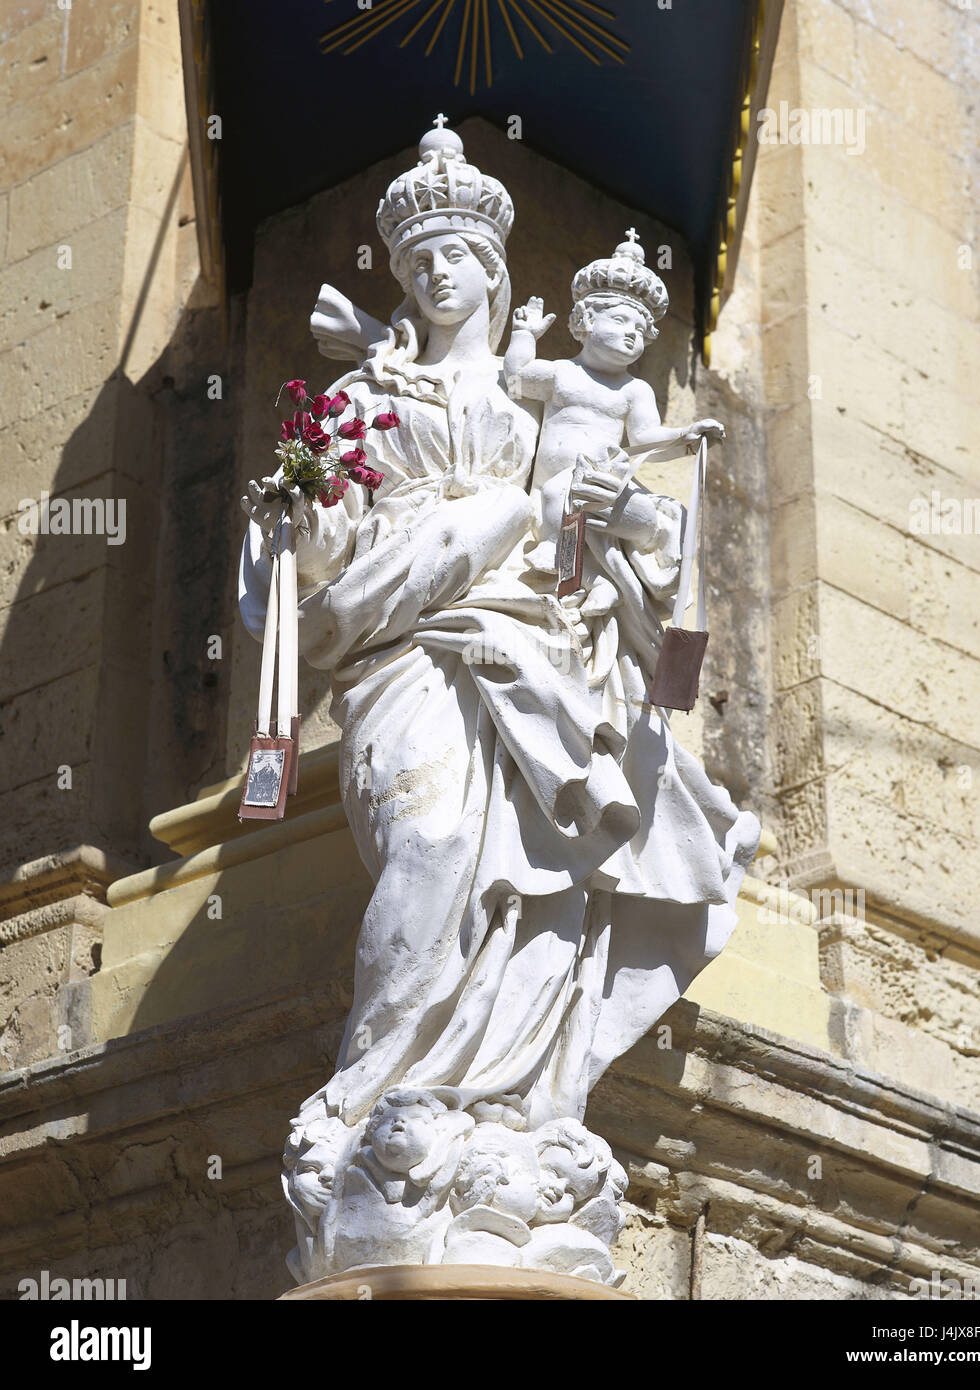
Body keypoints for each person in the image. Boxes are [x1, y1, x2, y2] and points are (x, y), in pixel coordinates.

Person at [239, 125, 760, 1282]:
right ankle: (377, 1104)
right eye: (416, 258)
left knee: (531, 874)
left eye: (456, 255)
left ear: (492, 269)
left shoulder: (538, 402)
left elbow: (602, 528)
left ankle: (503, 1107)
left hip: (520, 645)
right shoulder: (362, 390)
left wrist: (625, 519)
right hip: (401, 643)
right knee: (426, 840)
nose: (435, 274)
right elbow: (317, 550)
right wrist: (294, 507)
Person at [503, 235, 725, 573]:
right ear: (587, 321)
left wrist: (686, 436)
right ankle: (561, 558)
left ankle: (608, 575)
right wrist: (524, 335)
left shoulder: (634, 390)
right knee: (556, 495)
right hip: (560, 482)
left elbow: (644, 440)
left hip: (606, 482)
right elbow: (517, 379)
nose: (633, 333)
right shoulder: (563, 373)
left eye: (640, 327)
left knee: (651, 514)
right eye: (621, 321)